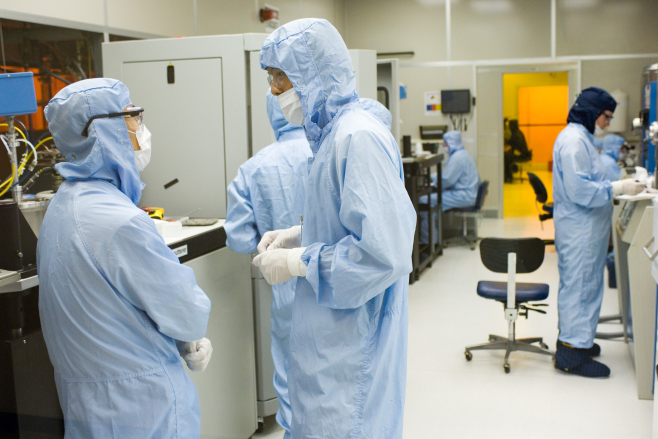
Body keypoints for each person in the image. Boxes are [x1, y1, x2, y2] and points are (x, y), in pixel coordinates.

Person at [252, 18, 416, 438]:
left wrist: (298, 261)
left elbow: (382, 255)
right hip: (330, 339)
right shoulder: (331, 135)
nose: (273, 90)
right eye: (270, 77)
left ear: (311, 72)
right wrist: (299, 234)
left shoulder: (355, 138)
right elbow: (347, 222)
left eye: (279, 77)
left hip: (350, 345)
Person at [37, 78, 213, 437]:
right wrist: (190, 336)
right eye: (132, 116)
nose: (140, 128)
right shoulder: (121, 222)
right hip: (143, 406)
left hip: (87, 406)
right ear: (102, 130)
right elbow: (187, 311)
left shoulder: (60, 209)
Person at [224, 89, 312, 438]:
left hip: (289, 295)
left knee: (292, 381)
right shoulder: (332, 152)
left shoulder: (255, 167)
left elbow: (240, 239)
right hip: (341, 287)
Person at [553, 87, 644, 378]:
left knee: (587, 287)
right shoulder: (572, 142)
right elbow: (580, 189)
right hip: (579, 229)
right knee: (579, 289)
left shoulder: (582, 138)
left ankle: (579, 343)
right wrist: (618, 188)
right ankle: (570, 354)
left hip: (586, 229)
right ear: (593, 112)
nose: (607, 123)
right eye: (606, 116)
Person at [419, 130, 480, 244]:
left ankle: (430, 242)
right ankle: (433, 239)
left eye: (445, 144)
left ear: (452, 143)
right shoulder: (462, 154)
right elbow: (448, 176)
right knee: (431, 200)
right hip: (468, 194)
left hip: (464, 196)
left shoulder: (457, 158)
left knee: (424, 200)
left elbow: (446, 180)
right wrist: (433, 177)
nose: (444, 146)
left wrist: (432, 181)